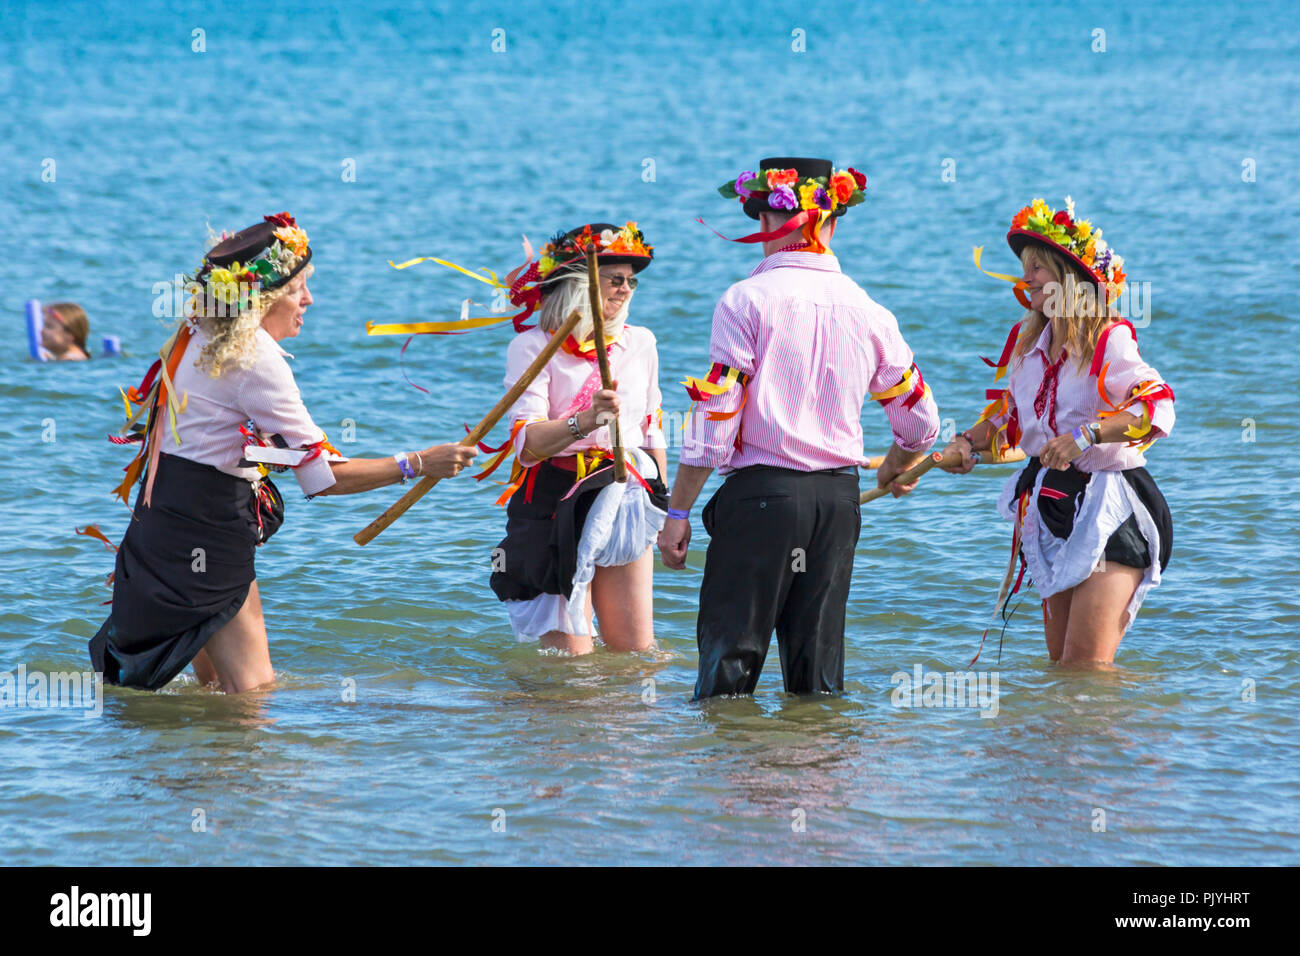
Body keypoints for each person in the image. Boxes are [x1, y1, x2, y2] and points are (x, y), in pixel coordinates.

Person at [89, 213, 476, 693]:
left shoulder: (195, 333)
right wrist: (418, 463)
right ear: (265, 299)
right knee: (253, 693)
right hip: (209, 531)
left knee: (209, 690)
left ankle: (195, 770)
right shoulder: (255, 357)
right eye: (298, 289)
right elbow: (324, 478)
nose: (309, 300)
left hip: (161, 523)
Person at [657, 157, 941, 698]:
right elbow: (922, 420)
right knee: (818, 675)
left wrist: (678, 512)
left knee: (728, 669)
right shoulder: (869, 309)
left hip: (762, 499)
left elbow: (716, 423)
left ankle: (735, 778)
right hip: (837, 502)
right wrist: (898, 467)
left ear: (767, 223)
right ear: (831, 224)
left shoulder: (744, 301)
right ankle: (819, 779)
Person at [940, 197, 1174, 665]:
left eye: (1039, 270)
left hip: (1112, 507)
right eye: (1026, 270)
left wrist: (1087, 436)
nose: (1027, 280)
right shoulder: (1028, 349)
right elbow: (1009, 422)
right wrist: (966, 442)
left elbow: (1157, 404)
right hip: (1054, 508)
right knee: (1059, 671)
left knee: (1086, 667)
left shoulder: (1111, 338)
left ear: (1070, 281)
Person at [485, 223, 667, 654]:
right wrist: (584, 421)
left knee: (636, 653)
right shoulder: (533, 346)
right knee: (571, 666)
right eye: (616, 279)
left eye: (632, 281)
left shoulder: (641, 342)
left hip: (626, 494)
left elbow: (652, 428)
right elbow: (527, 446)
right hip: (554, 498)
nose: (626, 289)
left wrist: (666, 506)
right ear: (579, 282)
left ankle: (631, 723)